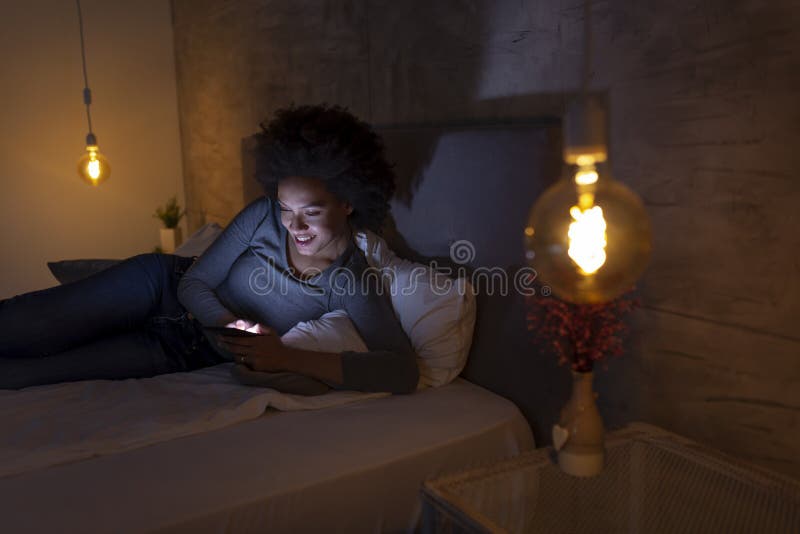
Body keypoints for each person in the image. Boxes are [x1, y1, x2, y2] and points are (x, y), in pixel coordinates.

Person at [0, 104, 419, 394]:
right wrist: (234, 326)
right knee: (20, 326)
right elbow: (195, 283)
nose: (294, 225)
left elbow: (402, 371)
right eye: (286, 208)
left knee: (27, 375)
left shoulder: (351, 279)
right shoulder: (261, 216)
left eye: (311, 210)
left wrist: (288, 359)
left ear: (349, 201)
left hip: (183, 351)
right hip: (158, 286)